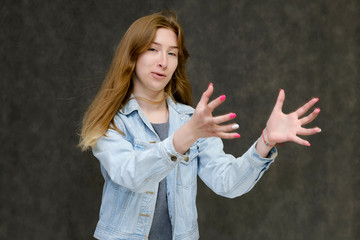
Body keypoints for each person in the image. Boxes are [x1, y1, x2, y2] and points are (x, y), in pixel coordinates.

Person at [79, 11, 321, 240]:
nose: (163, 61)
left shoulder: (191, 120)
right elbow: (131, 175)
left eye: (172, 53)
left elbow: (228, 182)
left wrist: (266, 141)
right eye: (153, 49)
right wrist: (183, 138)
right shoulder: (111, 120)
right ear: (132, 56)